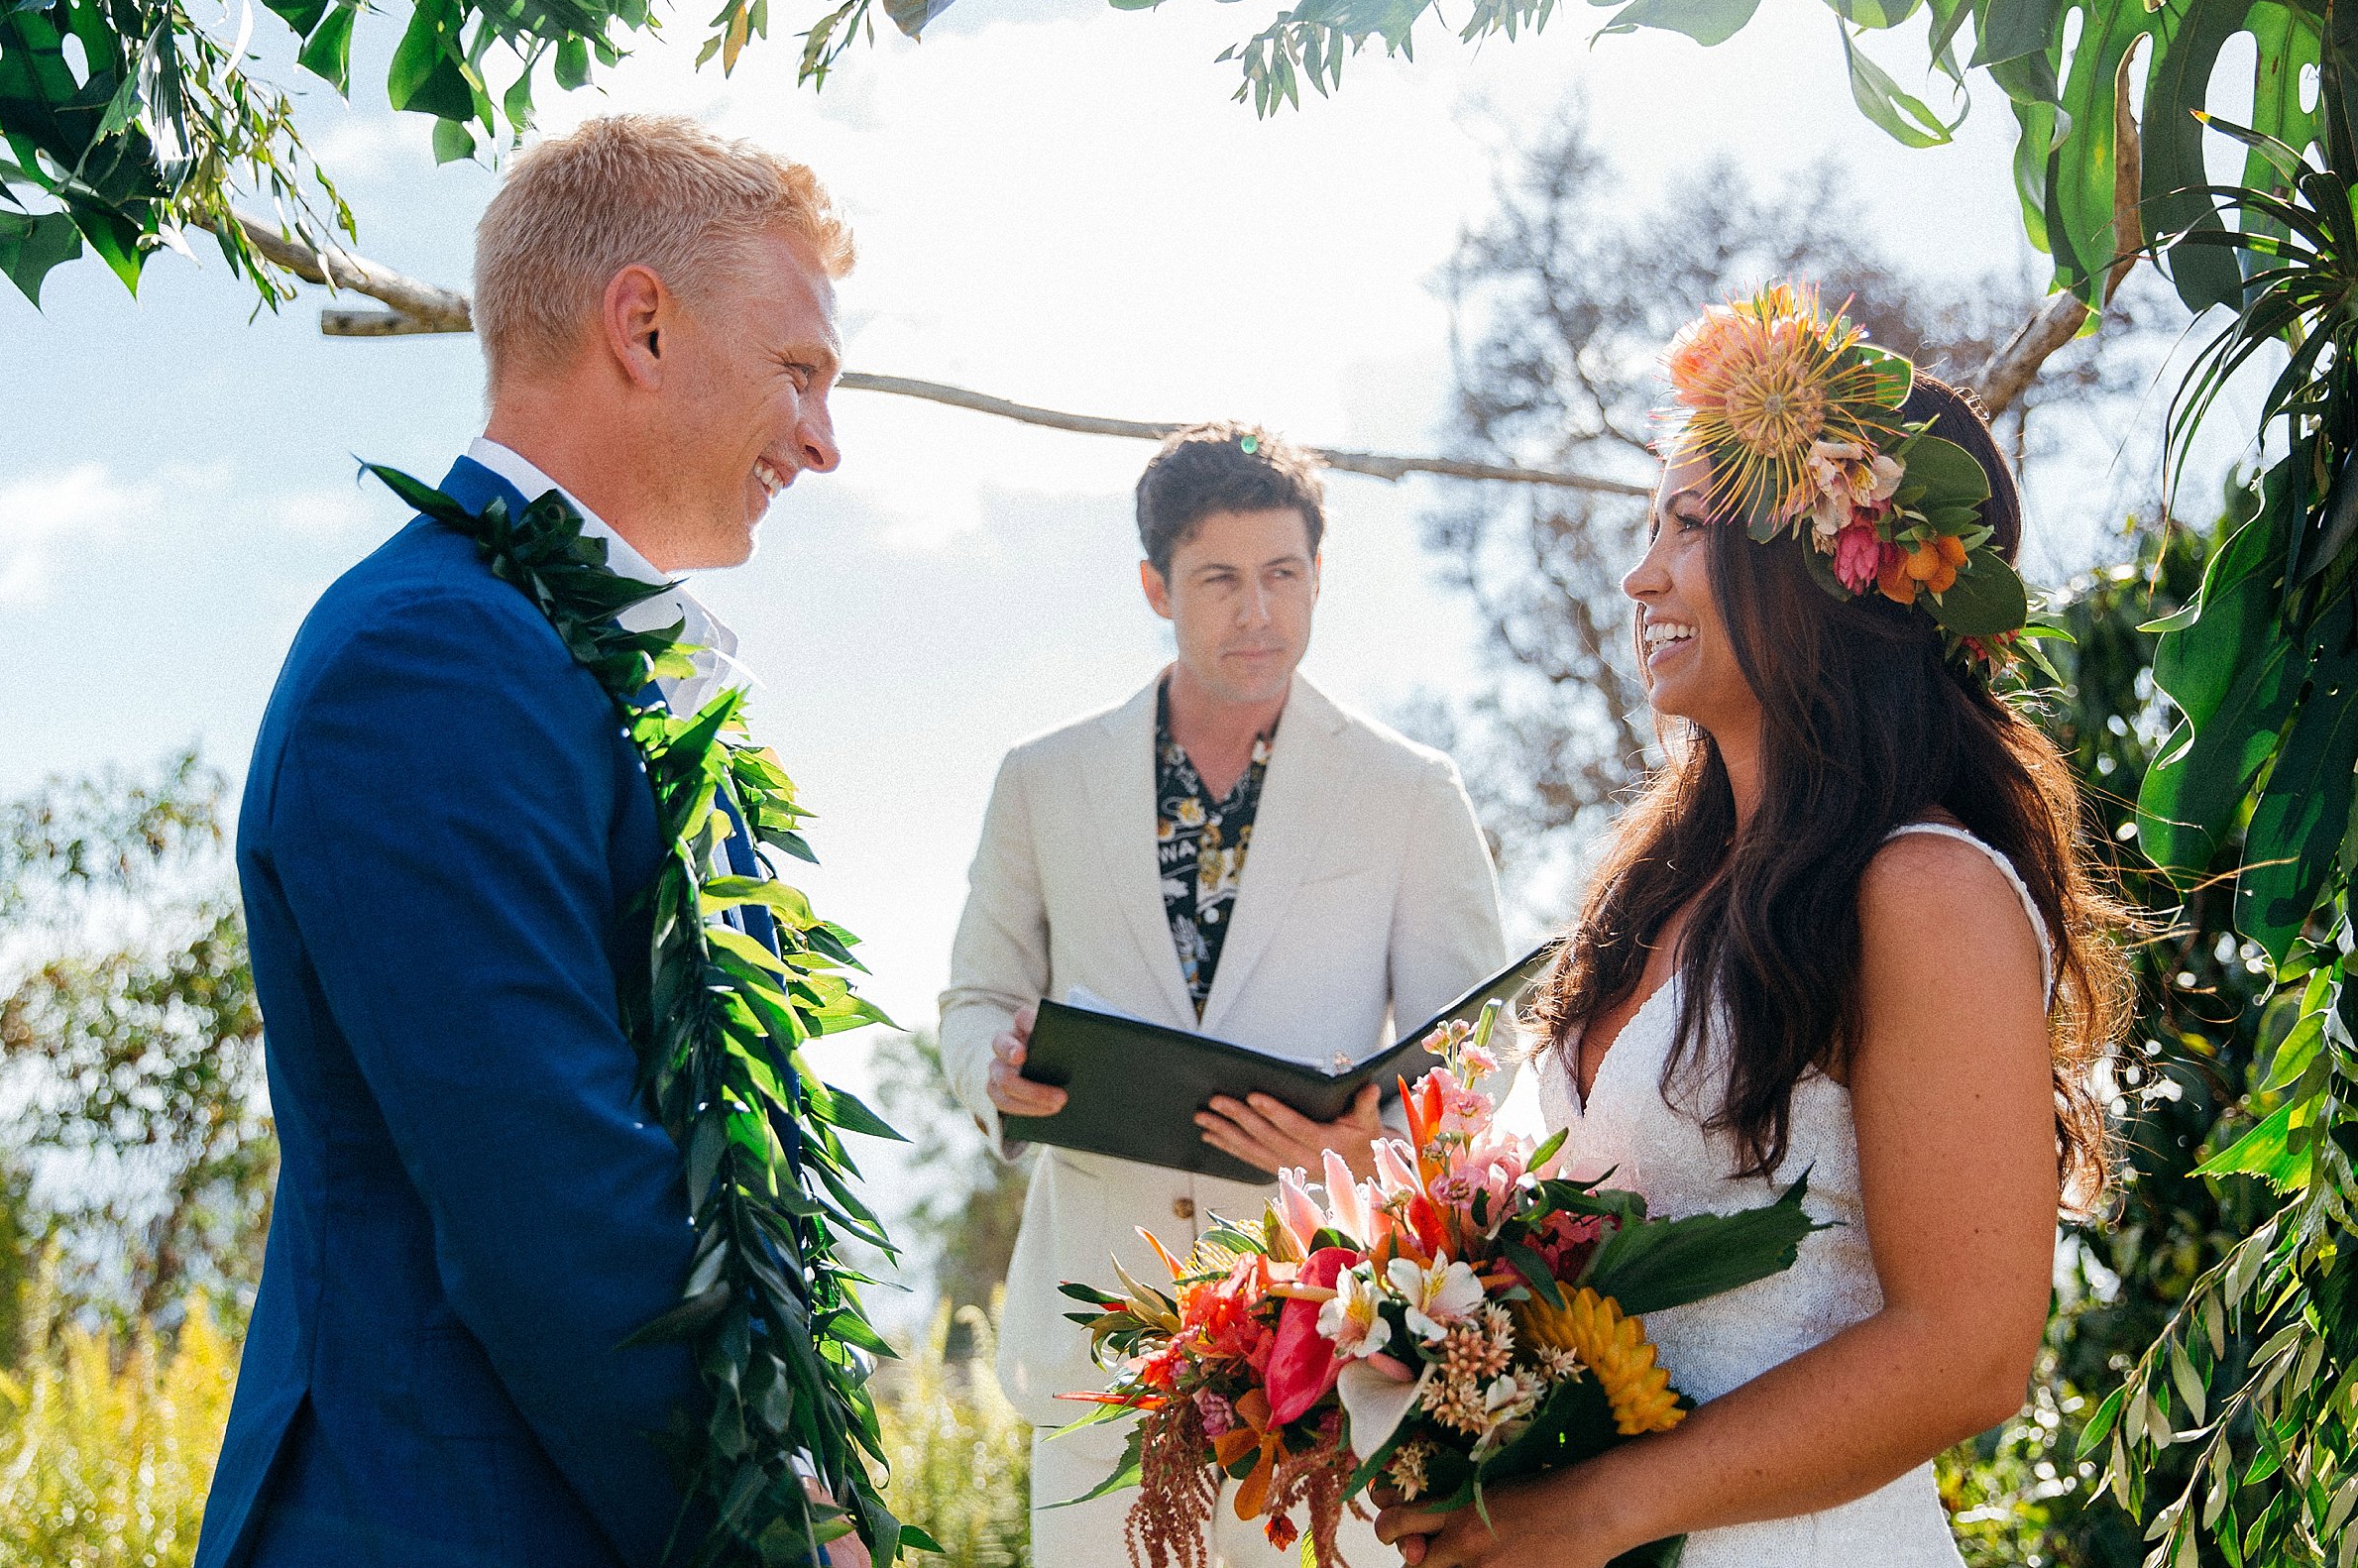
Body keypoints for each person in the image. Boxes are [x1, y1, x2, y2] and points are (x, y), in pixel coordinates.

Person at [194, 117, 869, 1568]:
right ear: (642, 325)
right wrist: (775, 1545)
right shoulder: (433, 656)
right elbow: (556, 1207)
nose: (823, 439)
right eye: (799, 372)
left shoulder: (566, 662)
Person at [1374, 293, 2134, 1567]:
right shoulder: (1660, 888)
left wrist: (1603, 1507)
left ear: (1819, 557)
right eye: (1648, 524)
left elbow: (1969, 1349)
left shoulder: (1924, 890)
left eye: (1687, 524)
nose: (1640, 571)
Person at [940, 421, 1510, 1568]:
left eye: (1283, 574)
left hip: (1330, 1353)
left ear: (1316, 576)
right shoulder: (1040, 779)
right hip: (1099, 1370)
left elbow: (1477, 1058)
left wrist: (1367, 1140)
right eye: (1219, 579)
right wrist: (990, 1070)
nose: (1258, 610)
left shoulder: (1410, 790)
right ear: (1155, 585)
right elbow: (971, 998)